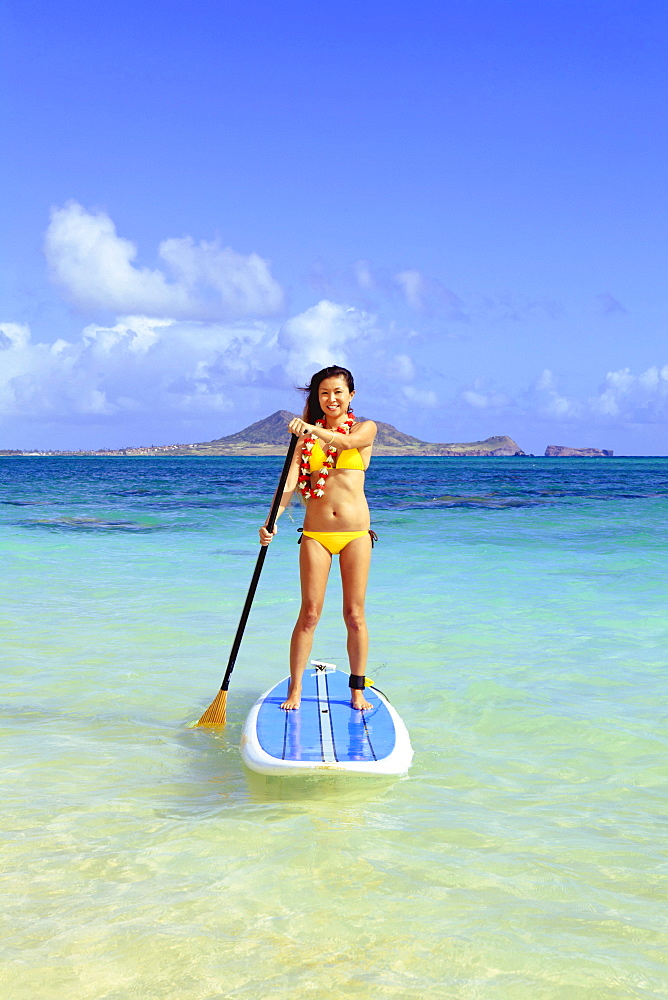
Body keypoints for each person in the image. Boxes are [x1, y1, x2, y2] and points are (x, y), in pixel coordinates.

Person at [259, 365, 377, 711]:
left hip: (356, 534)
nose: (331, 399)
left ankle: (357, 691)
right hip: (316, 534)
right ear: (317, 397)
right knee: (309, 613)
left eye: (338, 392)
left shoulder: (365, 428)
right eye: (324, 393)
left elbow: (348, 442)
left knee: (354, 614)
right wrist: (271, 522)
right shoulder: (305, 440)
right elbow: (289, 484)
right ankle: (295, 689)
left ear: (351, 395)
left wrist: (309, 426)